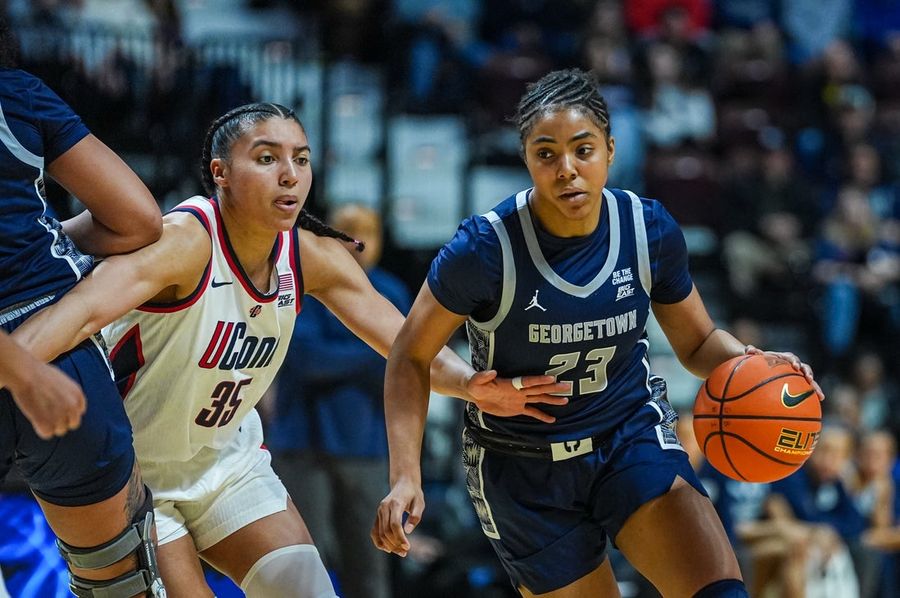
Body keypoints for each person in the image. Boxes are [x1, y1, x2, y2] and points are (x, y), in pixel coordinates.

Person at [13, 102, 567, 597]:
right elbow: (78, 313)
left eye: (301, 159)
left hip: (227, 462)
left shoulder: (312, 256)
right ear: (219, 174)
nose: (290, 175)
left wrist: (470, 385)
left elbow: (404, 346)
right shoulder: (184, 245)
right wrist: (12, 365)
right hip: (135, 475)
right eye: (266, 157)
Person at [371, 68, 822, 598]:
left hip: (627, 436)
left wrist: (757, 362)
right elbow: (409, 357)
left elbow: (699, 346)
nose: (567, 170)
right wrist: (406, 475)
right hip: (524, 468)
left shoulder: (648, 229)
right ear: (527, 160)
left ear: (609, 149)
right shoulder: (484, 249)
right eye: (547, 154)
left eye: (583, 150)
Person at [0, 20, 166, 598]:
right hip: (59, 348)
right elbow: (140, 220)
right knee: (123, 582)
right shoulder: (15, 90)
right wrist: (52, 240)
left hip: (34, 357)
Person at [267, 203, 407, 598]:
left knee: (370, 566)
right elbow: (306, 359)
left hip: (365, 448)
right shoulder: (301, 285)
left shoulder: (393, 292)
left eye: (369, 232)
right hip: (300, 445)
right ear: (329, 236)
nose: (359, 242)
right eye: (347, 230)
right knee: (304, 568)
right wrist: (376, 351)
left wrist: (376, 357)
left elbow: (406, 368)